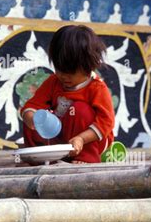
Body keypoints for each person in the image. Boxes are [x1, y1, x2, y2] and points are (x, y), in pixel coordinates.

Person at [21, 25, 115, 163]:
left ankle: (85, 158)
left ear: (88, 67)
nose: (63, 76)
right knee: (34, 116)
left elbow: (106, 123)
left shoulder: (97, 88)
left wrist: (81, 138)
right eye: (59, 69)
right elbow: (32, 105)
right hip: (61, 137)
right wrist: (31, 117)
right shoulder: (53, 81)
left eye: (70, 72)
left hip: (89, 140)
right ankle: (39, 157)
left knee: (79, 110)